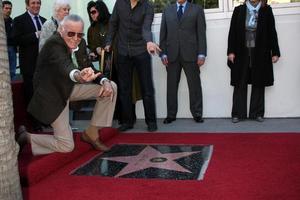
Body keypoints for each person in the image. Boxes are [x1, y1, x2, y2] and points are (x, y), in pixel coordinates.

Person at [16, 14, 117, 155]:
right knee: (66, 146)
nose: (76, 38)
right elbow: (65, 65)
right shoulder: (54, 43)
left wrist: (104, 81)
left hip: (72, 88)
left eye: (80, 34)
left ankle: (91, 133)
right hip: (54, 94)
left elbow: (88, 66)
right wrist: (79, 75)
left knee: (111, 86)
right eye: (71, 34)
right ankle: (27, 137)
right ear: (61, 31)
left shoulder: (81, 43)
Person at [105, 0, 161, 132]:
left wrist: (149, 42)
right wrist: (108, 41)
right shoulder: (120, 3)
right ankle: (127, 121)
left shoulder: (148, 6)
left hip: (141, 50)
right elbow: (113, 24)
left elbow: (146, 28)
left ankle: (151, 122)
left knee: (147, 88)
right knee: (125, 89)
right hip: (123, 51)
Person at [227, 0, 280, 123]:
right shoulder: (238, 10)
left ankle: (257, 113)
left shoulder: (266, 10)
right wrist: (231, 51)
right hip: (241, 50)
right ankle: (238, 114)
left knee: (258, 81)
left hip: (260, 50)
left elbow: (272, 31)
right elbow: (232, 33)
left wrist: (275, 52)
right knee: (240, 81)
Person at [159, 0, 207, 124]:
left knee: (194, 85)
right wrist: (162, 53)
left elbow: (201, 33)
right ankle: (171, 115)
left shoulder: (197, 9)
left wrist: (201, 53)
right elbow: (163, 34)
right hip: (171, 54)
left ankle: (197, 114)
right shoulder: (167, 10)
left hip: (191, 53)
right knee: (171, 87)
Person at [12, 0, 46, 131]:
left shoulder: (44, 20)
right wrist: (35, 35)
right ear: (27, 5)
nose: (36, 5)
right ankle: (34, 124)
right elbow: (15, 39)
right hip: (29, 65)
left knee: (43, 93)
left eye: (38, 3)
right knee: (31, 94)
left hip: (44, 65)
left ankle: (44, 120)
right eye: (33, 3)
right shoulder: (19, 20)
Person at [2, 1, 17, 80]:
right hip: (1, 49)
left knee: (12, 72)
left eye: (10, 8)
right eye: (6, 8)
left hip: (12, 49)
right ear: (1, 9)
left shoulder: (14, 22)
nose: (8, 10)